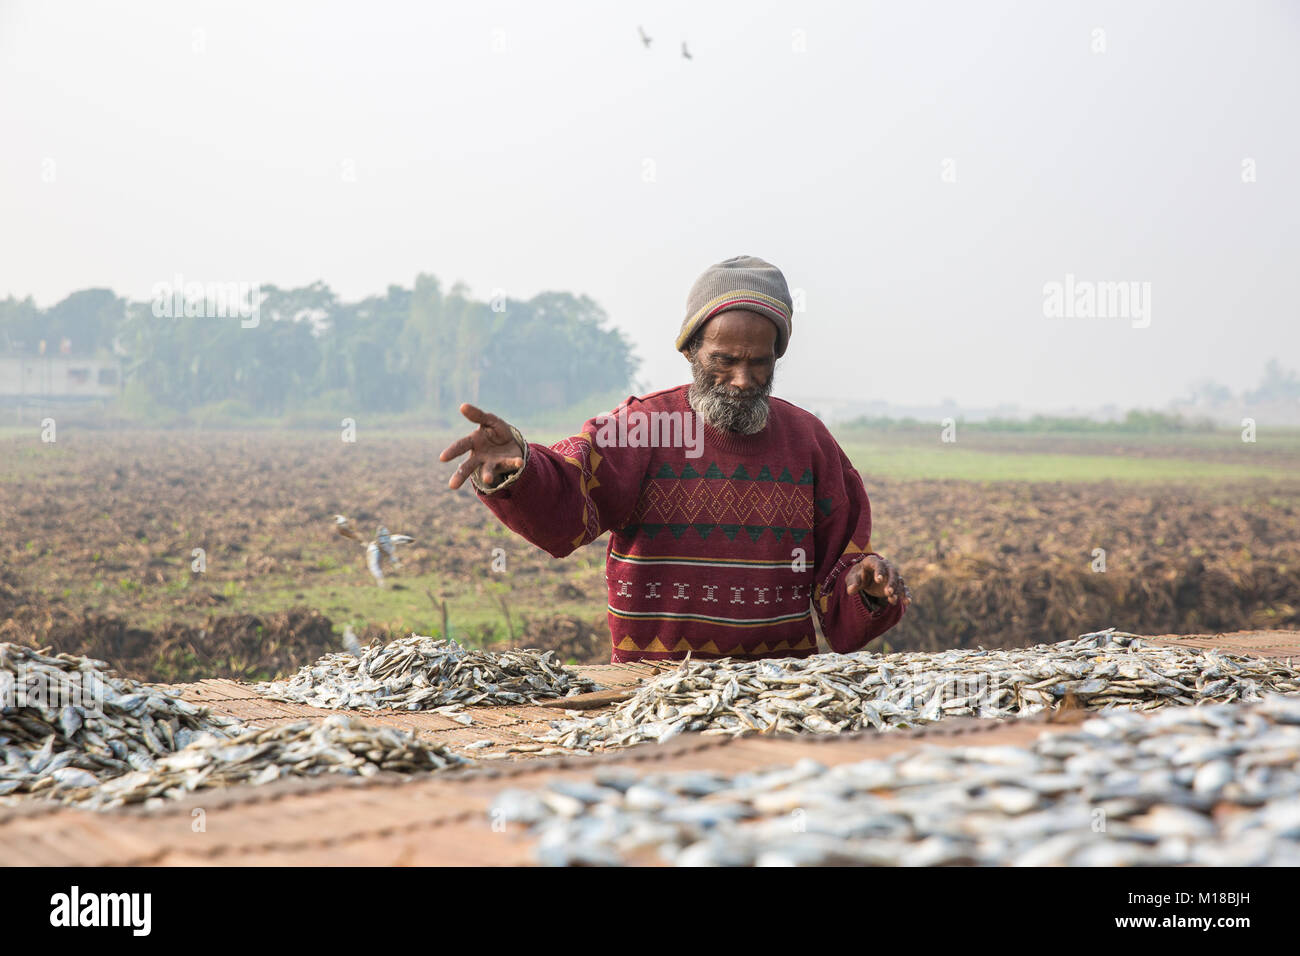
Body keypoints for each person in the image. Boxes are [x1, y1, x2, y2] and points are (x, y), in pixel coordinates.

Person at [439, 255, 909, 662]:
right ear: (690, 350)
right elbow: (566, 498)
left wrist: (866, 588)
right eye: (724, 359)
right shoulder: (643, 427)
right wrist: (520, 466)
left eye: (759, 362)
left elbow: (840, 580)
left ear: (777, 355)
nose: (743, 379)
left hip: (779, 697)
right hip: (657, 694)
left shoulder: (810, 442)